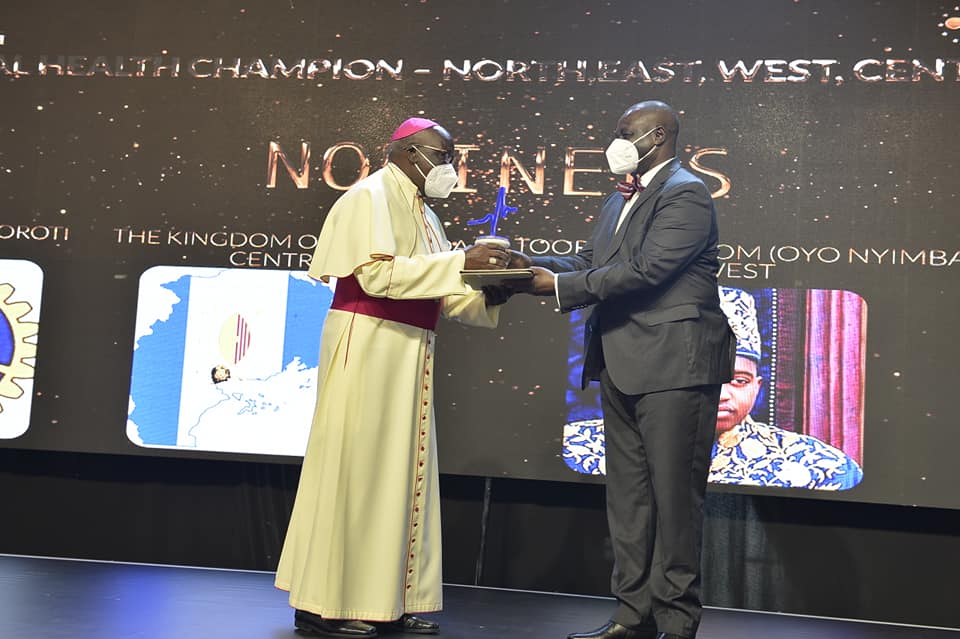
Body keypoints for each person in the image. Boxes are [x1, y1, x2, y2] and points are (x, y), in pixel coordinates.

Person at [275, 117, 511, 638]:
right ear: (409, 152)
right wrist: (460, 262)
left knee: (401, 477)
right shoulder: (370, 197)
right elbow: (376, 275)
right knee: (354, 473)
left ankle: (386, 600)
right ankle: (324, 604)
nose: (450, 167)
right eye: (442, 155)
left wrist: (494, 286)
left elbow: (447, 293)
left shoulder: (425, 213)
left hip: (408, 349)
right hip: (369, 340)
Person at [509, 101, 735, 639]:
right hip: (622, 362)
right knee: (629, 500)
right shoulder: (622, 197)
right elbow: (593, 261)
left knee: (675, 500)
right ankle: (632, 617)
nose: (615, 140)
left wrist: (557, 287)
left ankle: (676, 623)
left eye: (623, 132)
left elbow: (647, 270)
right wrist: (524, 267)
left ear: (657, 135)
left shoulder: (686, 192)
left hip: (675, 366)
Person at [711, 286, 863, 489]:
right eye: (706, 380)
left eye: (740, 381)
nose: (722, 395)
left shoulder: (823, 466)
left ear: (757, 387)